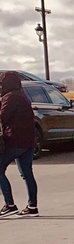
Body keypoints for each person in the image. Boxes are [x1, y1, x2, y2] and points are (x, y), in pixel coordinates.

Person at [0, 70, 39, 217]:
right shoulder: (23, 96)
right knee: (27, 174)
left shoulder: (10, 97)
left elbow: (2, 117)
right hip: (28, 141)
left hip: (14, 140)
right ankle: (32, 207)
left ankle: (10, 205)